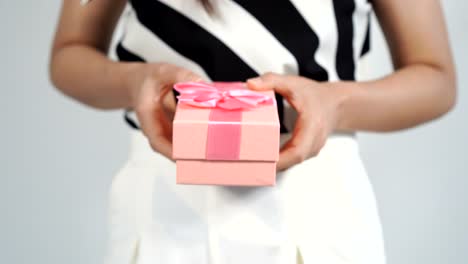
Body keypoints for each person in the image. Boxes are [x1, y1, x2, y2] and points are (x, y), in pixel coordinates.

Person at [49, 0, 456, 263]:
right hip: (165, 200)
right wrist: (135, 83)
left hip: (313, 200)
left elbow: (436, 78)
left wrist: (333, 104)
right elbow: (70, 53)